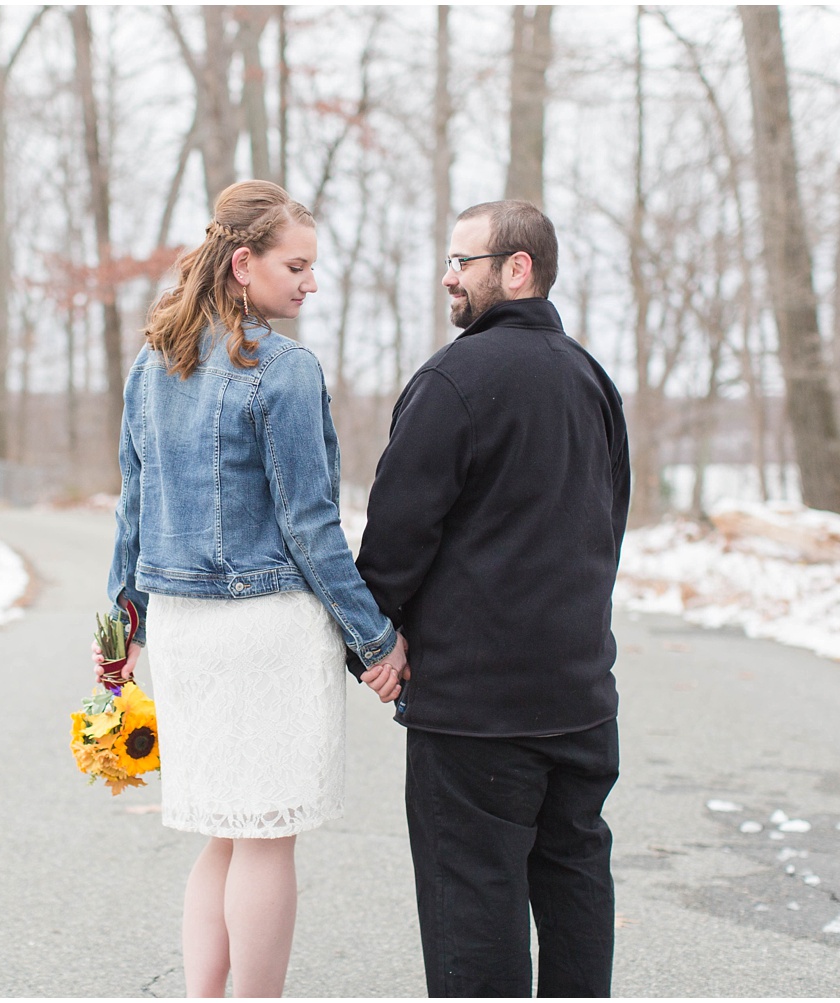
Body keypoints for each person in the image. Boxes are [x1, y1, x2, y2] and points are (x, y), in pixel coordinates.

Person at [96, 179, 407, 999]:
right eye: (296, 264)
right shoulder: (284, 370)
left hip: (185, 633)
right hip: (267, 627)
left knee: (223, 834)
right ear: (244, 262)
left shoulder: (152, 362)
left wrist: (121, 626)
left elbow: (133, 503)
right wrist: (376, 640)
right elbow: (311, 527)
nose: (310, 281)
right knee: (267, 838)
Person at [353, 200, 629, 998]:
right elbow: (610, 523)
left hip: (475, 714)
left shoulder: (454, 378)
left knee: (473, 905)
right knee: (577, 887)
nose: (448, 277)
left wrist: (372, 639)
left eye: (460, 261)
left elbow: (399, 533)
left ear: (517, 268)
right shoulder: (591, 379)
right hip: (580, 699)